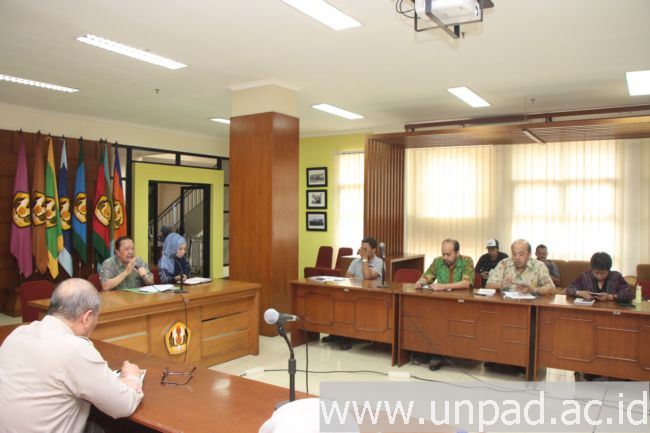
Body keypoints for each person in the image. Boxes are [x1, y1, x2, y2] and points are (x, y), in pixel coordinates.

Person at [0, 279, 143, 433]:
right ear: (87, 317)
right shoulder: (76, 349)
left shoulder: (18, 333)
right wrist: (131, 377)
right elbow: (123, 405)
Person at [414, 239, 474, 371]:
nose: (445, 257)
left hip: (461, 305)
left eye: (448, 254)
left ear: (457, 252)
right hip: (440, 303)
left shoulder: (467, 261)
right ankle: (429, 351)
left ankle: (440, 354)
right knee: (428, 318)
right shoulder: (438, 261)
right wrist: (421, 282)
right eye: (443, 254)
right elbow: (428, 276)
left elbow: (466, 283)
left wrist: (443, 286)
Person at [486, 239, 555, 295]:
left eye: (521, 254)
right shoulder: (504, 263)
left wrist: (533, 290)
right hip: (506, 304)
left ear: (529, 254)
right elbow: (488, 285)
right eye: (514, 254)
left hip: (529, 305)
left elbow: (551, 288)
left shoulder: (539, 265)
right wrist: (501, 285)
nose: (517, 257)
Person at [566, 252, 633, 302]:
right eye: (596, 273)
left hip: (611, 311)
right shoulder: (585, 276)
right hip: (589, 310)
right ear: (592, 269)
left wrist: (610, 297)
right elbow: (569, 289)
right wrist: (579, 293)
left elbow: (629, 294)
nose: (599, 276)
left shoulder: (616, 276)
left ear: (609, 270)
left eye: (603, 273)